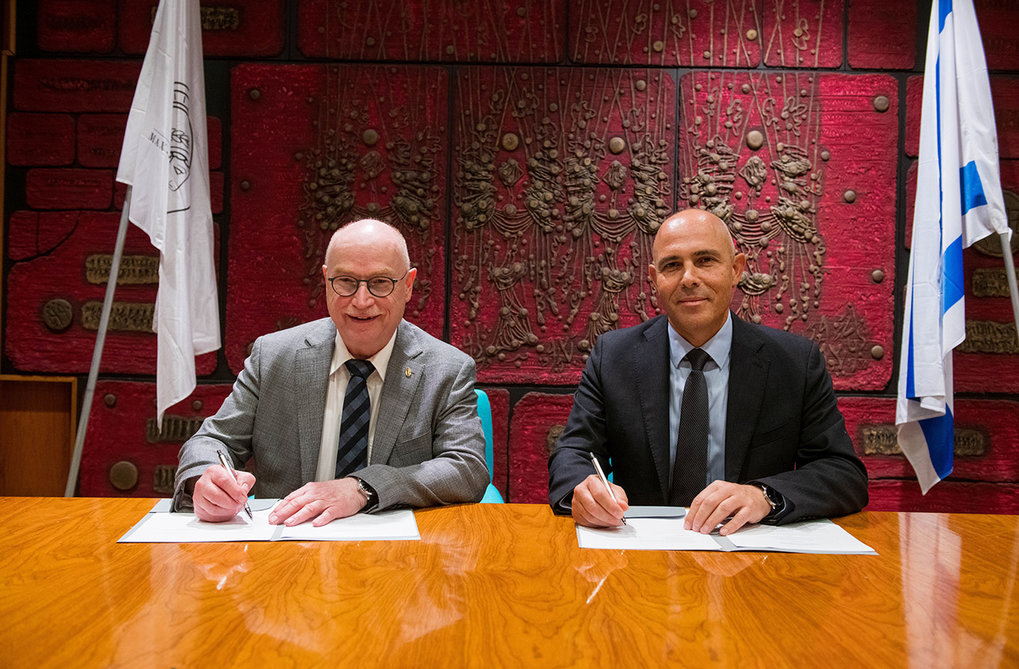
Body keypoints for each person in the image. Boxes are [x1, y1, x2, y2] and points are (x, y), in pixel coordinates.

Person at [548, 208, 868, 535]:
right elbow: (573, 454)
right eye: (673, 265)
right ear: (654, 277)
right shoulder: (613, 356)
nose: (689, 278)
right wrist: (584, 492)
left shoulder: (795, 362)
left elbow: (842, 472)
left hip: (752, 557)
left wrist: (764, 496)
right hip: (641, 555)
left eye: (705, 261)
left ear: (736, 269)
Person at [173, 219, 490, 525]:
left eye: (380, 283)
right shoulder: (273, 357)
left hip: (396, 557)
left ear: (408, 285)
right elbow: (212, 441)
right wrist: (205, 480)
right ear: (326, 281)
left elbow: (467, 468)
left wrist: (361, 487)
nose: (361, 301)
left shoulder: (446, 369)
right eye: (346, 282)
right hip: (287, 550)